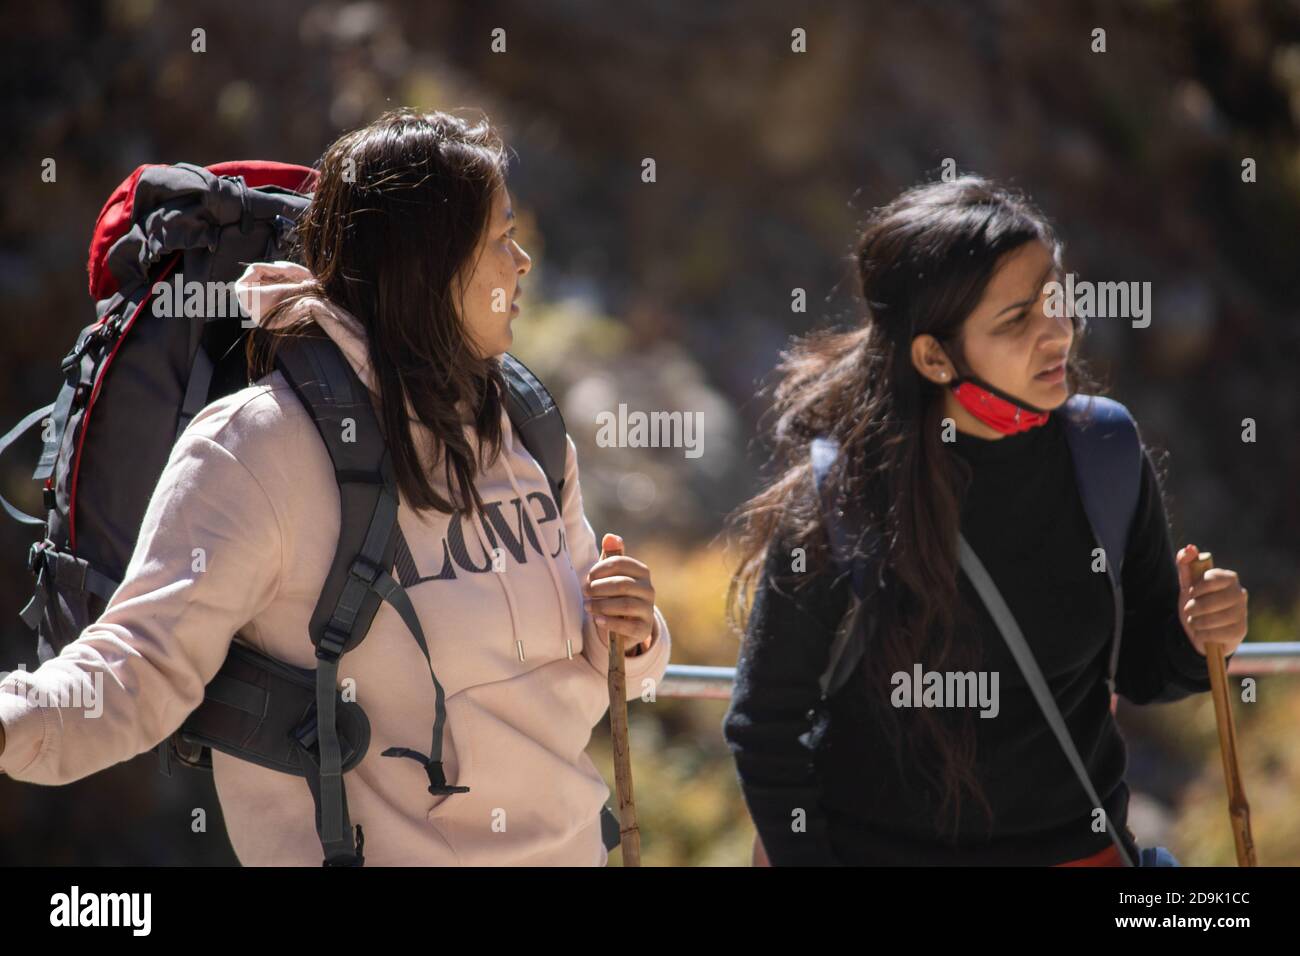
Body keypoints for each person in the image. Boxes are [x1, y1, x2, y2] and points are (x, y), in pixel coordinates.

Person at [0, 108, 671, 866]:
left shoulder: (525, 424)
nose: (521, 263)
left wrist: (635, 630)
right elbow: (135, 668)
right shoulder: (256, 445)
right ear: (430, 264)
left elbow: (603, 659)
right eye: (498, 239)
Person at [722, 176, 1248, 866]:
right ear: (934, 356)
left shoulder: (1105, 454)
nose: (1057, 331)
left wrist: (1201, 633)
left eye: (1055, 300)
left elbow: (1147, 670)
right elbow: (766, 724)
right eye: (1016, 319)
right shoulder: (845, 498)